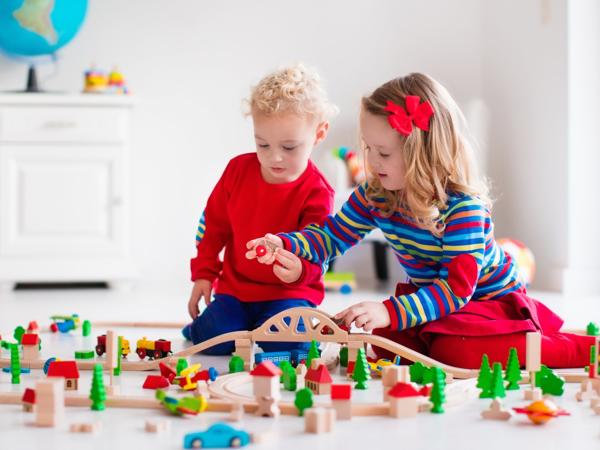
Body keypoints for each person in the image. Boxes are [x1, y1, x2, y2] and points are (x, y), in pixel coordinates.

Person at [247, 72, 594, 368]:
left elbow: (457, 289)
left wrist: (389, 310)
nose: (371, 161)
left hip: (484, 305)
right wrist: (285, 243)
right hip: (437, 302)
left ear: (422, 154)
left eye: (383, 153)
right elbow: (331, 237)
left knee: (454, 351)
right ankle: (431, 338)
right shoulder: (377, 194)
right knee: (381, 341)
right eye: (368, 148)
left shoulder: (463, 209)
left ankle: (581, 348)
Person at [185, 63, 336, 355]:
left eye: (289, 147)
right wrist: (204, 274)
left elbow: (321, 251)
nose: (274, 157)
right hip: (236, 290)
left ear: (319, 134)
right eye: (262, 144)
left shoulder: (318, 192)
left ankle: (265, 328)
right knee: (214, 340)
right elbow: (213, 227)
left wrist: (299, 272)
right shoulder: (237, 171)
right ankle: (211, 325)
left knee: (287, 343)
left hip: (290, 293)